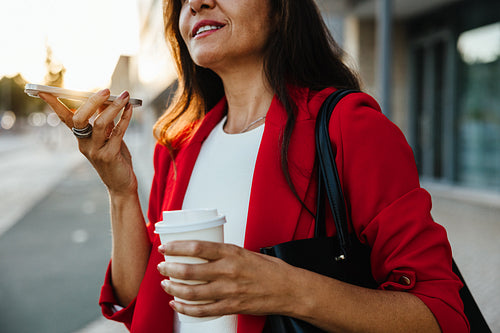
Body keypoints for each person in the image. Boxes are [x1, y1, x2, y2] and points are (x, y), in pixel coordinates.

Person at [40, 0, 470, 332]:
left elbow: (442, 315)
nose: (197, 3)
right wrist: (120, 191)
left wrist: (288, 290)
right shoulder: (177, 148)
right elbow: (144, 301)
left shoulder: (351, 129)